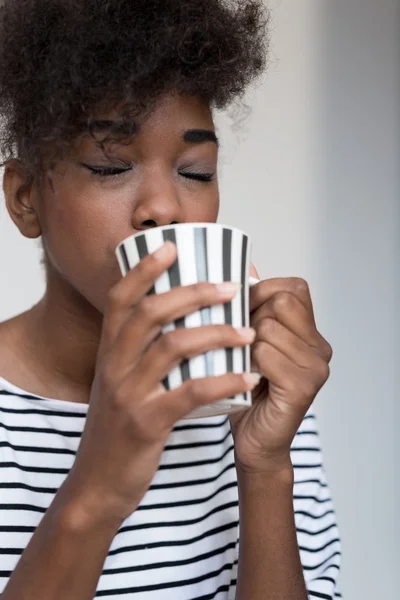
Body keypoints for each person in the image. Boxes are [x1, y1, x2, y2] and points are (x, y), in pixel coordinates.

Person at [0, 1, 342, 598]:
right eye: (111, 167)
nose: (163, 208)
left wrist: (264, 468)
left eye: (195, 171)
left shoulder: (262, 402)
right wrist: (98, 488)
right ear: (26, 198)